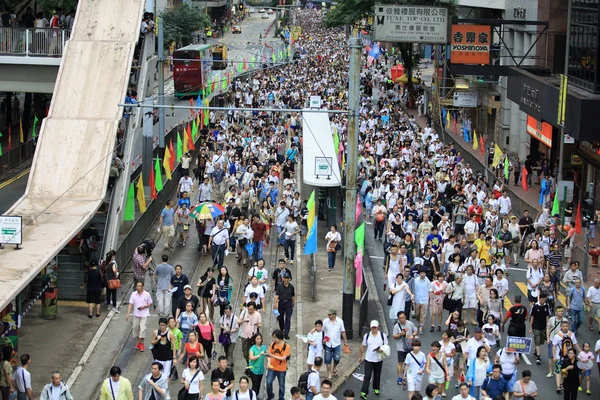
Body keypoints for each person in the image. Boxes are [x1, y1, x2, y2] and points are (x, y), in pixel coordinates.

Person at [358, 320, 388, 400]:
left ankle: (376, 389)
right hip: (368, 359)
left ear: (378, 327)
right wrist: (360, 356)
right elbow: (363, 346)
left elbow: (386, 346)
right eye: (372, 327)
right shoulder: (367, 336)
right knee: (367, 376)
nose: (373, 328)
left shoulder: (382, 335)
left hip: (378, 359)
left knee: (377, 375)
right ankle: (364, 392)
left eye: (375, 327)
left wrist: (381, 350)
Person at [552, 321, 582, 393]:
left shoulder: (571, 334)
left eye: (566, 326)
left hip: (569, 357)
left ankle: (562, 383)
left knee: (565, 371)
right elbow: (554, 346)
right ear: (561, 327)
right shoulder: (557, 336)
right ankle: (558, 386)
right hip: (559, 357)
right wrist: (554, 357)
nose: (565, 327)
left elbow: (575, 344)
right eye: (564, 326)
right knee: (559, 371)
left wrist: (581, 352)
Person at [126, 281, 153, 352]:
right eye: (137, 286)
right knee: (135, 329)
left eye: (139, 286)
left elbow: (150, 303)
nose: (138, 287)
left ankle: (142, 343)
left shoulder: (146, 294)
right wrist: (128, 313)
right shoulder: (133, 294)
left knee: (142, 329)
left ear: (142, 287)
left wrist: (144, 306)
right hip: (136, 314)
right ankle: (139, 342)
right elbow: (130, 304)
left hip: (144, 314)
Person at [322, 309, 348, 380]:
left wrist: (345, 341)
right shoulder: (325, 321)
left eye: (330, 315)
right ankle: (329, 373)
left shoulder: (340, 321)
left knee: (337, 359)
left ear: (334, 314)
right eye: (328, 314)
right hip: (328, 343)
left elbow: (343, 331)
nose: (328, 316)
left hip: (336, 343)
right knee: (328, 360)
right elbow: (322, 331)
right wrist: (323, 339)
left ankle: (334, 367)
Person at [266, 330, 290, 400]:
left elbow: (283, 358)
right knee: (268, 383)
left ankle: (281, 398)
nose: (274, 339)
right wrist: (269, 362)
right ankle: (270, 396)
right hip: (272, 368)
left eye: (275, 338)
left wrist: (272, 355)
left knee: (281, 385)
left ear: (279, 337)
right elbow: (269, 355)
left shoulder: (286, 346)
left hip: (282, 369)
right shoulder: (272, 344)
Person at [546, 306, 568, 378]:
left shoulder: (565, 320)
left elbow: (567, 331)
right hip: (552, 340)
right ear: (556, 312)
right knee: (551, 356)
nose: (561, 312)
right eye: (559, 311)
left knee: (561, 356)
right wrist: (548, 338)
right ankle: (550, 371)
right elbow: (548, 328)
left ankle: (559, 370)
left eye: (562, 311)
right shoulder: (551, 319)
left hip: (562, 341)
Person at [529, 293, 551, 365]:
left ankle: (536, 351)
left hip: (543, 327)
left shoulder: (546, 306)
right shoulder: (535, 306)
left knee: (541, 341)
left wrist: (548, 325)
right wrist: (530, 328)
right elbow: (532, 317)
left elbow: (547, 316)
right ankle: (538, 357)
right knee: (537, 341)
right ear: (540, 299)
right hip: (536, 327)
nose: (543, 302)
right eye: (542, 300)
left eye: (544, 300)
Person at [273, 273, 295, 340]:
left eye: (287, 278)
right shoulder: (279, 286)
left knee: (288, 318)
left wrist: (293, 304)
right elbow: (276, 296)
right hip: (281, 303)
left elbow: (293, 296)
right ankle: (282, 330)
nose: (286, 279)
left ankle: (286, 333)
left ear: (289, 279)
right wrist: (275, 304)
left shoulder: (291, 287)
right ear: (283, 278)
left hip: (288, 303)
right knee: (281, 318)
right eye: (284, 278)